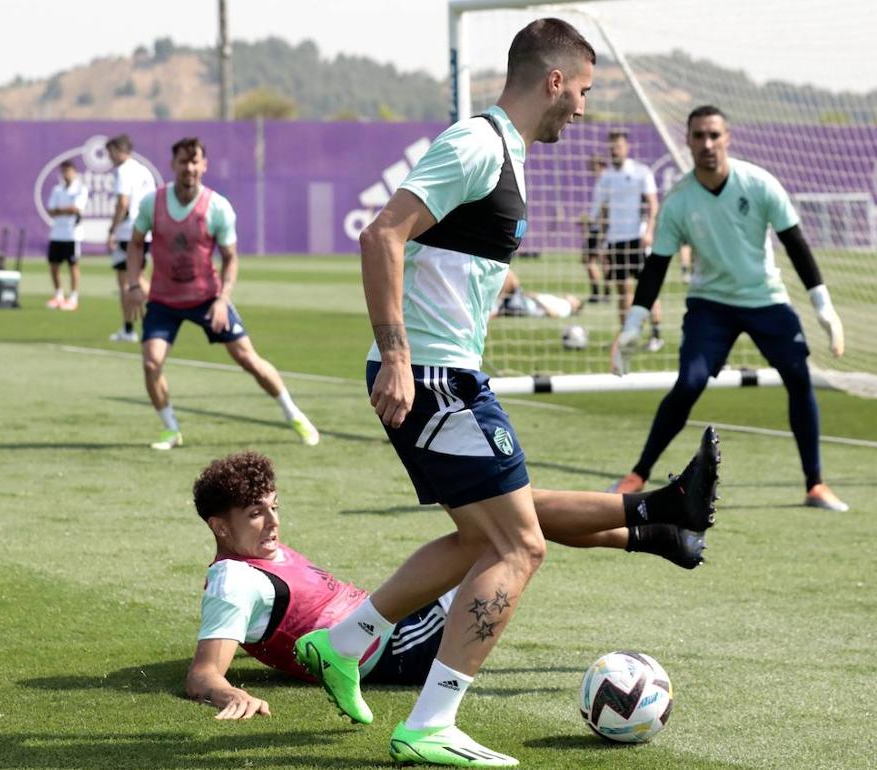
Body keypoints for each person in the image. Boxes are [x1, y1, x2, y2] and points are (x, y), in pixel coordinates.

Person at [297, 19, 710, 768]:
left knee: (479, 541)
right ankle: (429, 724)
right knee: (520, 546)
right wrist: (397, 357)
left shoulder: (505, 152)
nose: (583, 108)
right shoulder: (477, 144)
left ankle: (342, 641)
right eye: (582, 91)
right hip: (431, 378)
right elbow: (382, 236)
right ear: (554, 81)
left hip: (450, 375)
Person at [185, 449, 714, 720]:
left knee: (502, 523)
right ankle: (655, 522)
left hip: (394, 624)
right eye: (256, 514)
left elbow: (270, 629)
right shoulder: (234, 578)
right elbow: (204, 672)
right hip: (395, 648)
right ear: (219, 525)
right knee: (502, 525)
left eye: (274, 508)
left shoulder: (257, 556)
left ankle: (655, 534)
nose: (273, 523)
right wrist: (231, 692)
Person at [609, 105, 849, 513]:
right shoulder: (680, 200)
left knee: (798, 376)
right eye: (699, 136)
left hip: (765, 300)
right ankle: (637, 474)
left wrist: (824, 307)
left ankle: (816, 485)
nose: (707, 144)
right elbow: (657, 267)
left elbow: (795, 244)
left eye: (714, 135)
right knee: (689, 383)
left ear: (727, 138)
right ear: (687, 141)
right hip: (711, 306)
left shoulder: (759, 184)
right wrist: (633, 324)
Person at [123, 137, 321, 451]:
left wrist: (222, 300)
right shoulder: (152, 203)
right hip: (163, 299)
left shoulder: (217, 207)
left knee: (248, 359)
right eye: (183, 162)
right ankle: (170, 429)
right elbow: (135, 244)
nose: (189, 167)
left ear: (204, 165)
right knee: (151, 363)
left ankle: (294, 414)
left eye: (194, 161)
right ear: (173, 165)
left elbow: (230, 258)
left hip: (207, 298)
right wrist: (134, 285)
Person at [589, 130, 665, 352]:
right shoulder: (606, 177)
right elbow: (599, 210)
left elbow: (653, 204)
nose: (615, 150)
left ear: (627, 148)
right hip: (615, 241)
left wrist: (649, 231)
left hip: (638, 239)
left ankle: (656, 334)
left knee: (647, 287)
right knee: (622, 289)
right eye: (612, 147)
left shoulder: (641, 172)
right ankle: (627, 339)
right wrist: (600, 238)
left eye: (619, 146)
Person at [106, 134, 157, 342]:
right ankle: (139, 324)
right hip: (144, 231)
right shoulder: (144, 170)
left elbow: (123, 203)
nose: (110, 158)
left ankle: (131, 328)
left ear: (120, 150)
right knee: (136, 278)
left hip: (128, 231)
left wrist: (112, 230)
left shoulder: (123, 171)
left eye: (111, 153)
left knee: (127, 282)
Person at [43, 160, 88, 311]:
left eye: (68, 171)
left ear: (74, 172)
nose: (66, 174)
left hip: (72, 234)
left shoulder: (80, 189)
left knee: (73, 266)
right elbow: (51, 210)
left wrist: (60, 210)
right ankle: (58, 296)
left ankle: (73, 297)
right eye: (63, 171)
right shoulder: (57, 190)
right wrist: (64, 210)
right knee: (53, 266)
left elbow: (75, 208)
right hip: (57, 233)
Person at [578, 154, 609, 303]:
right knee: (601, 260)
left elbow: (605, 206)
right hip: (598, 226)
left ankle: (598, 294)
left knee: (590, 260)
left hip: (599, 228)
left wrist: (601, 226)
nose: (592, 170)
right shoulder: (602, 181)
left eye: (594, 166)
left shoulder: (605, 181)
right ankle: (605, 294)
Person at [490, 269, 583, 319]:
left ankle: (495, 306)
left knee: (510, 277)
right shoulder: (562, 302)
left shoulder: (566, 308)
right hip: (526, 301)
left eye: (576, 300)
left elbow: (553, 314)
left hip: (526, 306)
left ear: (575, 306)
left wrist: (535, 299)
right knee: (508, 275)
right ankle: (495, 305)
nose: (573, 297)